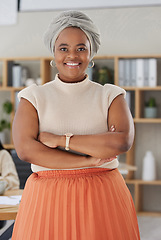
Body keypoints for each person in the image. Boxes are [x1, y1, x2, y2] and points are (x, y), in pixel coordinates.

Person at [11, 10, 140, 240]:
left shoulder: (110, 95)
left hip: (103, 197)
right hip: (48, 199)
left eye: (81, 48)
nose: (72, 55)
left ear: (91, 54)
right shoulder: (33, 97)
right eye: (64, 48)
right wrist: (89, 159)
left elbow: (121, 141)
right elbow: (26, 150)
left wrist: (60, 140)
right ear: (53, 52)